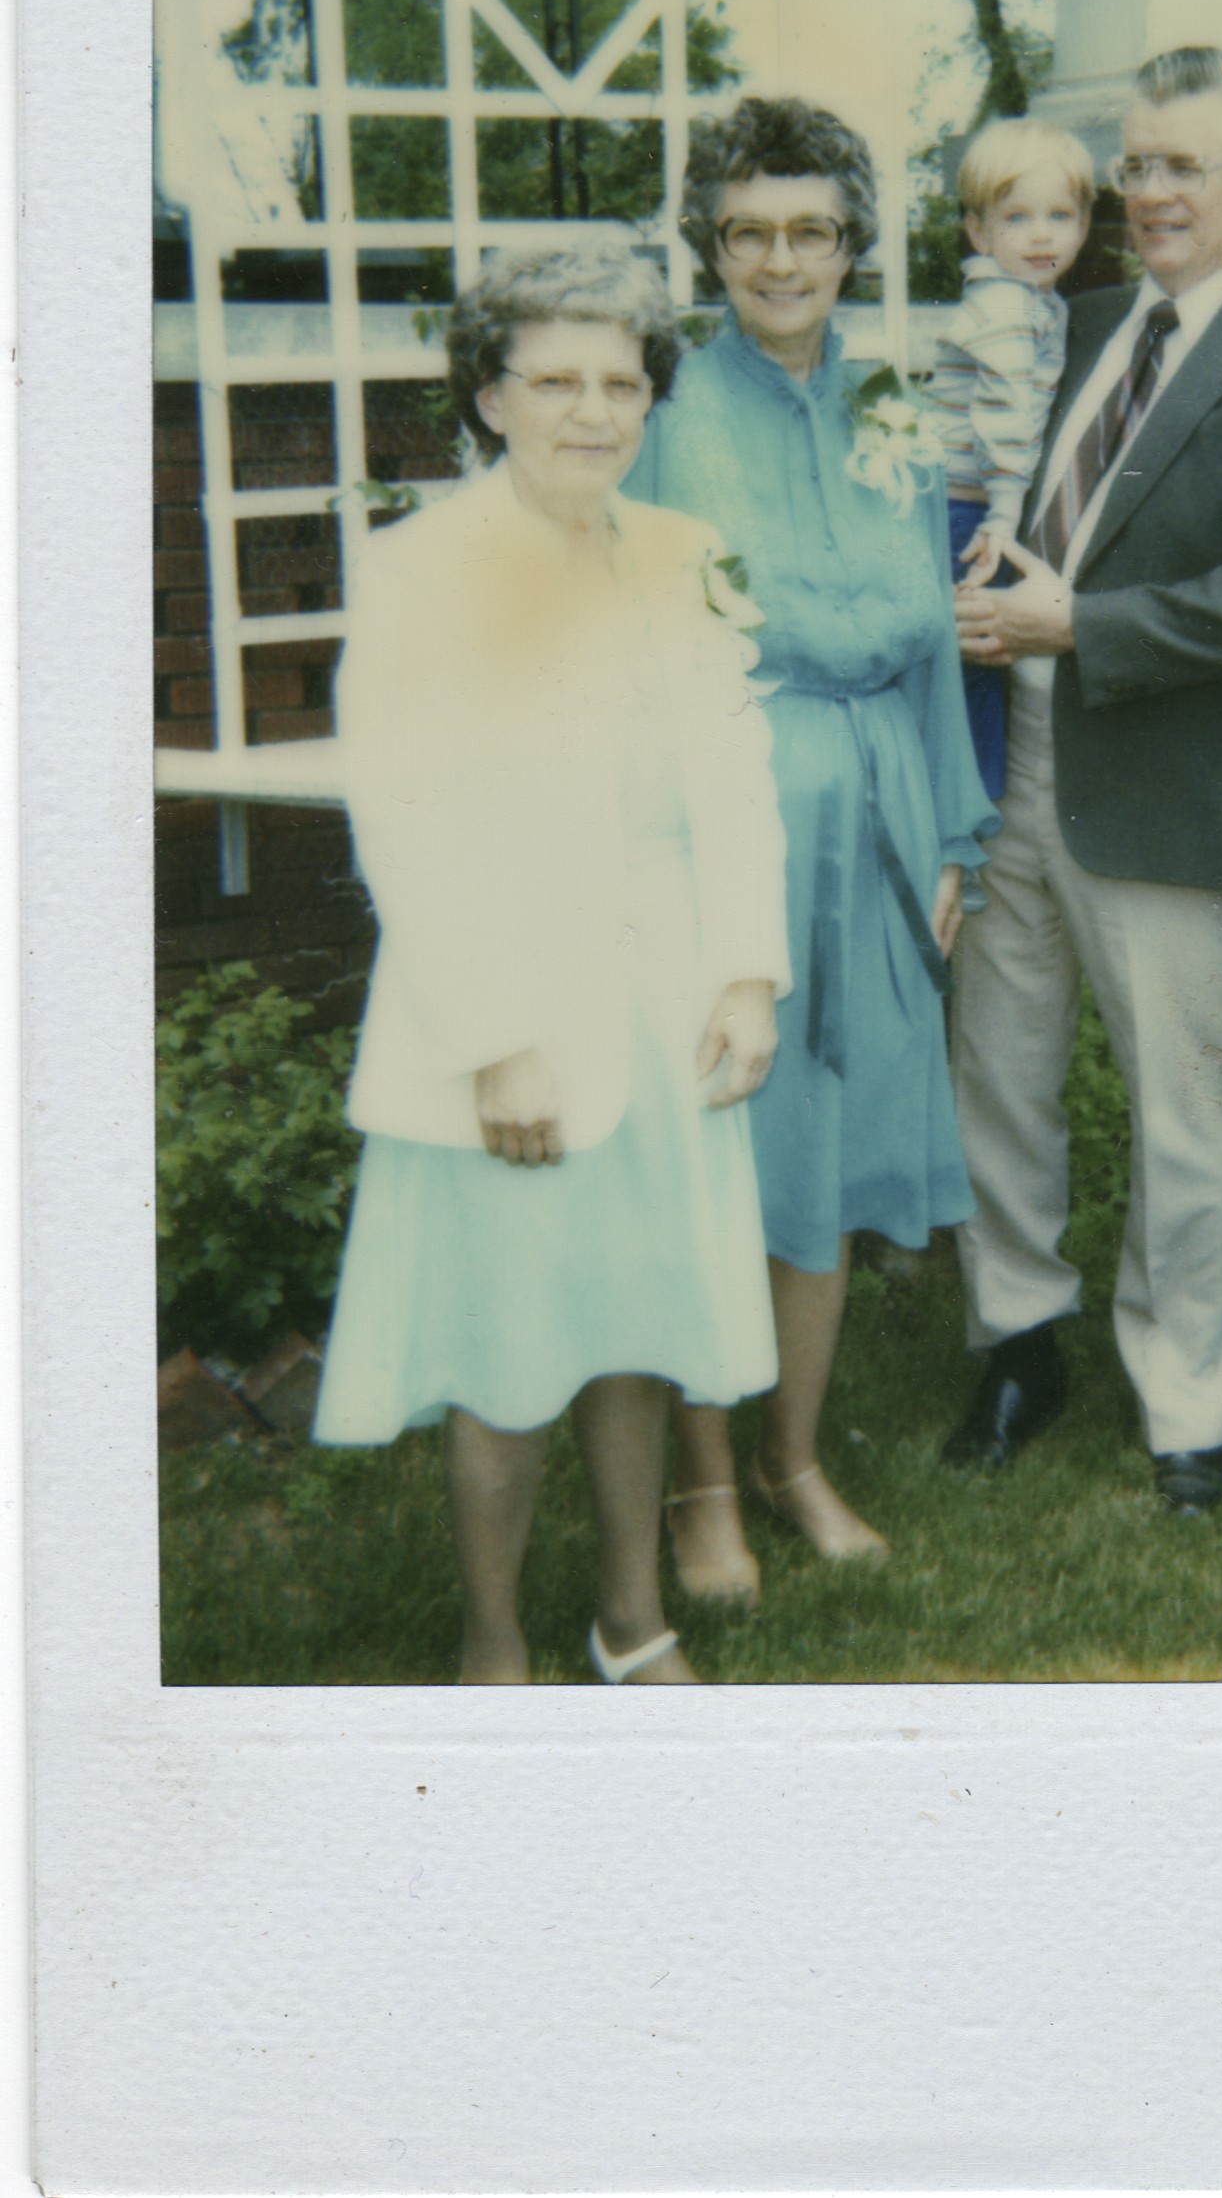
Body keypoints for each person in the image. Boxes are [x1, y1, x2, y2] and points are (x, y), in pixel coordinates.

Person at [312, 242, 791, 1684]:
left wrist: (745, 972)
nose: (592, 411)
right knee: (510, 1342)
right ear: (491, 396)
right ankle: (494, 1640)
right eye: (556, 381)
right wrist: (494, 1038)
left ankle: (630, 1619)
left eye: (621, 383)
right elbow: (403, 819)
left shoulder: (684, 553)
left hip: (661, 997)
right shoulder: (421, 567)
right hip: (502, 1004)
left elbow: (734, 777)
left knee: (634, 1319)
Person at [944, 46, 1222, 1518]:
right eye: (1136, 163)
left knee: (1181, 1116)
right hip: (1008, 760)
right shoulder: (1067, 327)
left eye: (1185, 163)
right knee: (999, 1076)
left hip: (1168, 782)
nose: (1151, 192)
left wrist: (1076, 624)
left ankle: (1185, 1404)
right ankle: (1017, 1342)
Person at [632, 96, 998, 1596]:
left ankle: (792, 1457)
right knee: (728, 1150)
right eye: (747, 233)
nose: (779, 260)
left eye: (809, 231)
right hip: (726, 825)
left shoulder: (887, 407)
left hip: (886, 812)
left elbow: (932, 635)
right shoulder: (660, 408)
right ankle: (702, 1483)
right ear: (708, 246)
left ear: (852, 245)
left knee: (831, 1156)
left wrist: (955, 829)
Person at [923, 114, 1095, 800]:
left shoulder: (1035, 302)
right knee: (976, 649)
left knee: (974, 655)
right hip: (965, 507)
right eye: (1017, 217)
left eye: (1060, 215)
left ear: (1084, 224)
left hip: (969, 501)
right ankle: (970, 801)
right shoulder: (1004, 306)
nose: (1042, 235)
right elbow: (1004, 416)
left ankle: (969, 794)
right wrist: (1001, 514)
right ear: (979, 231)